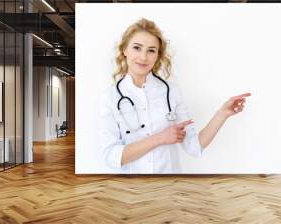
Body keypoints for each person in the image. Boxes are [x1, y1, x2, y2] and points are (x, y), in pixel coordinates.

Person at [101, 18, 251, 174]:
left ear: (157, 55)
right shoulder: (110, 97)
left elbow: (194, 147)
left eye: (151, 50)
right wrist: (160, 138)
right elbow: (111, 156)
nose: (143, 57)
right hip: (131, 191)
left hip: (168, 185)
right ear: (125, 49)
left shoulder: (170, 91)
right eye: (137, 48)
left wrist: (222, 114)